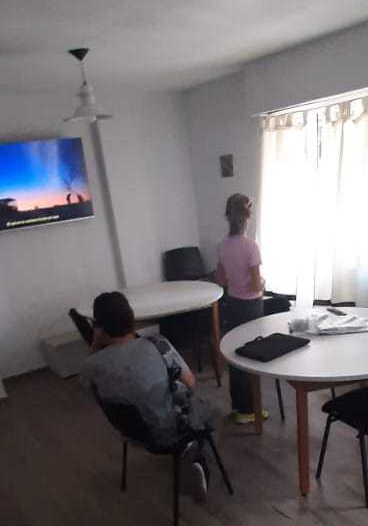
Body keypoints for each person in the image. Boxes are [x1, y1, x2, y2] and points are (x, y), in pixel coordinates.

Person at [80, 291, 217, 499]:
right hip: (170, 429)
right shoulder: (157, 344)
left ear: (98, 327)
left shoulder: (91, 365)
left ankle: (188, 449)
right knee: (207, 410)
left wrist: (95, 343)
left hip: (132, 432)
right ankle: (195, 456)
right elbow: (190, 382)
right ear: (131, 317)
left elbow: (88, 388)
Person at [216, 192, 266, 424]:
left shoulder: (222, 246)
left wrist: (236, 282)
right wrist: (263, 282)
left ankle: (239, 407)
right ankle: (250, 411)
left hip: (232, 305)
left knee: (236, 355)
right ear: (247, 217)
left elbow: (221, 281)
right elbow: (256, 285)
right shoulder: (251, 247)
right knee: (252, 356)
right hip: (251, 308)